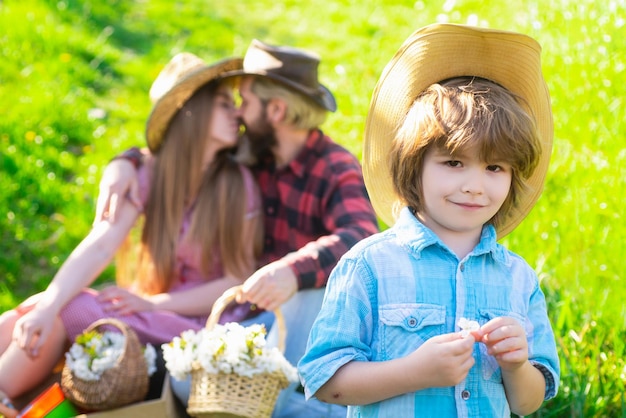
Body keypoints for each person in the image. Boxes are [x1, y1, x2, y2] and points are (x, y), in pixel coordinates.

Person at [94, 39, 380, 417]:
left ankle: (298, 404)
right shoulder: (249, 154)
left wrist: (292, 271)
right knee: (183, 379)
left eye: (245, 101)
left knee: (309, 295)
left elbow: (361, 237)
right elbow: (183, 145)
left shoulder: (334, 166)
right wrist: (125, 162)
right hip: (243, 320)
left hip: (304, 330)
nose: (239, 113)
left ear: (276, 109)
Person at [298, 23, 560, 417]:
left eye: (494, 167)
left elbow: (528, 402)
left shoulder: (518, 279)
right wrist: (414, 372)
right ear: (413, 164)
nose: (475, 186)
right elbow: (323, 380)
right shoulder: (369, 266)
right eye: (454, 162)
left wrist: (516, 365)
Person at [0, 52, 264, 405]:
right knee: (34, 310)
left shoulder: (236, 185)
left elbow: (235, 279)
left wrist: (153, 304)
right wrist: (48, 304)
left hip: (199, 324)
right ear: (192, 114)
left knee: (71, 306)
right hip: (149, 310)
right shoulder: (150, 173)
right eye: (222, 104)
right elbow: (102, 243)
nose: (237, 114)